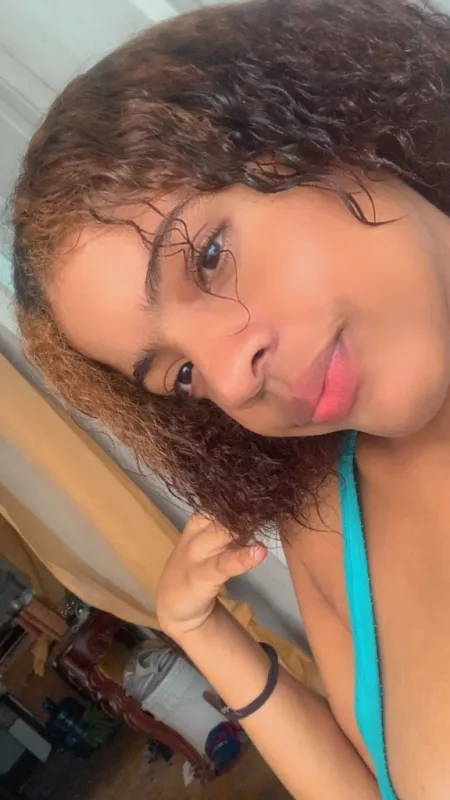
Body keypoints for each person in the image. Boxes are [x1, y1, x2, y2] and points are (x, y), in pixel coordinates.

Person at [10, 0, 450, 795]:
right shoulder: (327, 522)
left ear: (324, 123)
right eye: (180, 375)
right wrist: (201, 633)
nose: (232, 378)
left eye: (209, 256)